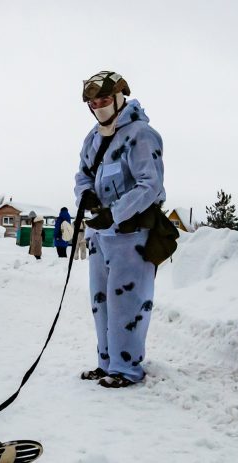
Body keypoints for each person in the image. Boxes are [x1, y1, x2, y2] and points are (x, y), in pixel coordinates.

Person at [74, 70, 165, 389]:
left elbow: (150, 185)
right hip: (101, 237)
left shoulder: (141, 134)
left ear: (120, 96)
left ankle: (127, 368)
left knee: (127, 302)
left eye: (103, 98)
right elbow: (82, 175)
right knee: (101, 302)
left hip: (132, 236)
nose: (98, 104)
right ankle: (106, 363)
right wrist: (84, 194)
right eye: (92, 100)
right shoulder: (93, 138)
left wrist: (113, 214)